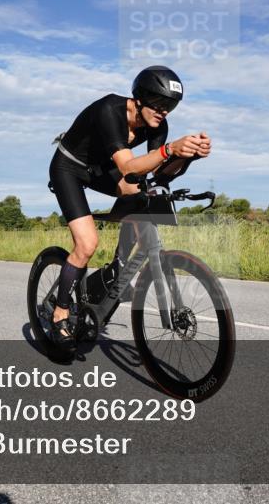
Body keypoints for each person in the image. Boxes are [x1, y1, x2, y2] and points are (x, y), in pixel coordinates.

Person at [47, 66, 211, 347]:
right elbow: (128, 166)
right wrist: (170, 149)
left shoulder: (159, 125)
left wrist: (188, 156)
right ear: (140, 99)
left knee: (143, 193)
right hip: (69, 167)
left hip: (102, 168)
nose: (164, 111)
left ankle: (117, 267)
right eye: (159, 104)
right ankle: (60, 313)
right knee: (86, 245)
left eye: (170, 106)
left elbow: (159, 173)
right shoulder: (110, 110)